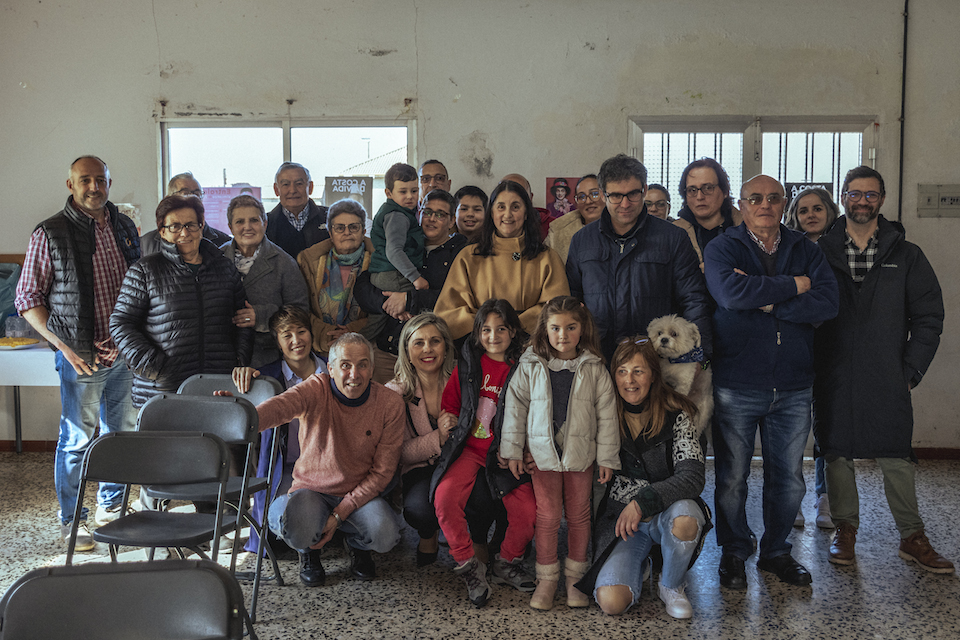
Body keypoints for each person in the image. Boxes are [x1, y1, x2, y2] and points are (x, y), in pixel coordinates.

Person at [814, 166, 953, 573]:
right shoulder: (820, 252)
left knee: (896, 452)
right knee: (836, 451)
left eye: (870, 194)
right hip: (832, 372)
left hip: (888, 372)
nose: (862, 201)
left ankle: (912, 536)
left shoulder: (906, 255)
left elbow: (929, 316)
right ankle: (845, 530)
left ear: (882, 199)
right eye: (854, 193)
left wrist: (910, 371)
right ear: (842, 197)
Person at [704, 174, 838, 589]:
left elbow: (828, 301)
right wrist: (793, 287)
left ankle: (777, 552)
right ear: (740, 205)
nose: (765, 204)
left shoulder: (804, 248)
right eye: (755, 198)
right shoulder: (723, 246)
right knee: (731, 478)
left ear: (784, 204)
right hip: (737, 382)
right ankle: (734, 551)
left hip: (794, 385)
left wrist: (762, 300)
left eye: (774, 198)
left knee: (788, 478)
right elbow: (728, 294)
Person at [15, 155, 141, 551]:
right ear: (70, 184)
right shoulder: (50, 232)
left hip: (123, 356)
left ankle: (111, 508)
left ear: (109, 182)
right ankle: (73, 520)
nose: (94, 187)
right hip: (80, 358)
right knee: (77, 440)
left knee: (119, 435)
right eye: (85, 180)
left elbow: (137, 287)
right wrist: (65, 348)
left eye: (100, 179)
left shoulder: (124, 227)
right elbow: (27, 298)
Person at [254, 333, 404, 586]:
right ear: (331, 369)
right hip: (312, 489)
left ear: (372, 368)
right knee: (296, 529)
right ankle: (308, 551)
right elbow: (280, 407)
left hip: (358, 493)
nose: (354, 374)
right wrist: (243, 415)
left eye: (362, 365)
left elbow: (382, 473)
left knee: (386, 536)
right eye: (345, 365)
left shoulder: (390, 403)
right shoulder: (316, 387)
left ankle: (356, 545)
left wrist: (339, 515)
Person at [500, 296, 620, 610]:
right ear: (545, 329)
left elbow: (607, 414)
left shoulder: (594, 367)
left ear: (583, 329)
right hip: (542, 456)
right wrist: (513, 450)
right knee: (548, 516)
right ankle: (547, 579)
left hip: (582, 455)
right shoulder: (530, 363)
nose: (562, 335)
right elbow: (515, 408)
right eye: (555, 328)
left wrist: (607, 457)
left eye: (570, 327)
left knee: (580, 517)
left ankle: (575, 579)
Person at [575, 336, 708, 619]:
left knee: (686, 519)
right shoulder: (603, 412)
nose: (629, 380)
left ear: (653, 375)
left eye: (639, 371)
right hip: (621, 522)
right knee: (611, 602)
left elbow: (693, 477)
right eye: (622, 371)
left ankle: (671, 585)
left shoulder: (678, 412)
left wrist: (641, 503)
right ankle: (642, 563)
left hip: (667, 512)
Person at [431, 300, 537, 607]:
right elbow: (451, 403)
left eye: (501, 329)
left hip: (506, 453)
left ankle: (506, 561)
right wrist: (446, 419)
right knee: (444, 498)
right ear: (477, 333)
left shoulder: (525, 367)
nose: (493, 336)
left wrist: (522, 448)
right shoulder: (468, 364)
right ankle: (469, 566)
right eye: (486, 329)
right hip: (470, 449)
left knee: (528, 513)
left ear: (513, 331)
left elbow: (536, 413)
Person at [110, 194, 254, 407]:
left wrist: (239, 362)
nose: (184, 233)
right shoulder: (144, 270)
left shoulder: (224, 268)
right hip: (162, 390)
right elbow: (120, 324)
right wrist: (153, 367)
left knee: (214, 441)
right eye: (174, 226)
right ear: (162, 231)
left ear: (202, 226)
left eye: (190, 225)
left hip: (217, 387)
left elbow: (242, 320)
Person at [566, 154, 712, 362]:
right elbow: (571, 301)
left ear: (644, 189)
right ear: (602, 194)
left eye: (633, 194)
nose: (625, 204)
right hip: (597, 358)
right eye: (616, 195)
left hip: (657, 361)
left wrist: (699, 356)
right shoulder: (582, 241)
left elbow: (694, 299)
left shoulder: (673, 238)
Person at [231, 305, 328, 557]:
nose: (297, 341)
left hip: (330, 465)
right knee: (286, 515)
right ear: (277, 341)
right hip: (288, 468)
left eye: (302, 331)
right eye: (287, 335)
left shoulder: (333, 370)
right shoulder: (266, 379)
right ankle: (308, 549)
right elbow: (242, 412)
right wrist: (239, 388)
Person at [435, 180, 569, 340]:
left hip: (532, 347)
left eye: (515, 207)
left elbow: (558, 309)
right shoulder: (469, 256)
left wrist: (516, 324)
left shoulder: (547, 257)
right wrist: (490, 327)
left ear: (526, 213)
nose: (507, 214)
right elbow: (447, 314)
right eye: (501, 207)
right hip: (481, 345)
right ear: (491, 213)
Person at [354, 189, 467, 373]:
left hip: (435, 357)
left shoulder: (461, 252)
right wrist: (388, 303)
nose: (431, 219)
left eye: (440, 215)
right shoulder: (402, 244)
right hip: (389, 351)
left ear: (452, 220)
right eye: (427, 212)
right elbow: (364, 285)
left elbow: (457, 298)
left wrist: (408, 300)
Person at [784, 186, 841, 529]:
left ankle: (825, 497)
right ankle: (792, 500)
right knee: (791, 430)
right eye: (802, 210)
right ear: (793, 217)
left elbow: (832, 301)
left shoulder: (841, 249)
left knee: (828, 426)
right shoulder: (790, 251)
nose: (810, 215)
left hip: (834, 347)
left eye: (817, 208)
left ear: (830, 212)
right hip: (796, 346)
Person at [384, 313, 457, 567]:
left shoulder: (462, 382)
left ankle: (475, 541)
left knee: (481, 499)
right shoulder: (395, 393)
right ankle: (429, 533)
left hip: (460, 464)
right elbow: (399, 453)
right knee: (418, 510)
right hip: (420, 469)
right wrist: (437, 437)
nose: (428, 349)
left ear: (446, 346)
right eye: (419, 343)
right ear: (407, 349)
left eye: (435, 341)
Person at [221, 195, 309, 368]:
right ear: (230, 227)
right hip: (222, 357)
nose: (247, 227)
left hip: (266, 359)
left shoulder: (285, 263)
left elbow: (301, 312)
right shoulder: (216, 258)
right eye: (240, 222)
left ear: (265, 223)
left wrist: (262, 316)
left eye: (254, 220)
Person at [367, 163, 427, 377]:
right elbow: (394, 251)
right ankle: (359, 345)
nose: (410, 196)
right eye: (403, 192)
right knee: (411, 306)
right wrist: (416, 278)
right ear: (388, 193)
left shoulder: (400, 211)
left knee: (379, 318)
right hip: (392, 274)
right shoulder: (398, 216)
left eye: (414, 190)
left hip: (384, 271)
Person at [298, 199, 377, 357]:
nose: (347, 232)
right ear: (330, 233)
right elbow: (302, 308)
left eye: (353, 227)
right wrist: (328, 333)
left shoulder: (379, 262)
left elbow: (384, 310)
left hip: (365, 349)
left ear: (363, 231)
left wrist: (352, 331)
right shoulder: (308, 262)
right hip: (320, 349)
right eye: (340, 228)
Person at [673, 158, 743, 270]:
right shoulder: (674, 233)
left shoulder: (748, 228)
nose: (700, 197)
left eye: (708, 188)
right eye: (692, 190)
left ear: (725, 191)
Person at [140, 172, 231, 256]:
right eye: (185, 193)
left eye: (197, 193)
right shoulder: (146, 242)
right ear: (169, 198)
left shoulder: (222, 241)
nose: (193, 197)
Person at [265, 162, 329, 259]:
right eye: (286, 184)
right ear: (276, 189)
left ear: (310, 187)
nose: (293, 190)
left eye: (299, 184)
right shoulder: (265, 224)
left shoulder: (330, 218)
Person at [545, 174, 606, 263]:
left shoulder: (622, 227)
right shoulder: (558, 232)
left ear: (605, 195)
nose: (588, 201)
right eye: (581, 197)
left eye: (595, 194)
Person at [501, 173, 556, 239]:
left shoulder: (554, 226)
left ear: (530, 198)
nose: (508, 215)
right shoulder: (490, 226)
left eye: (515, 206)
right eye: (501, 206)